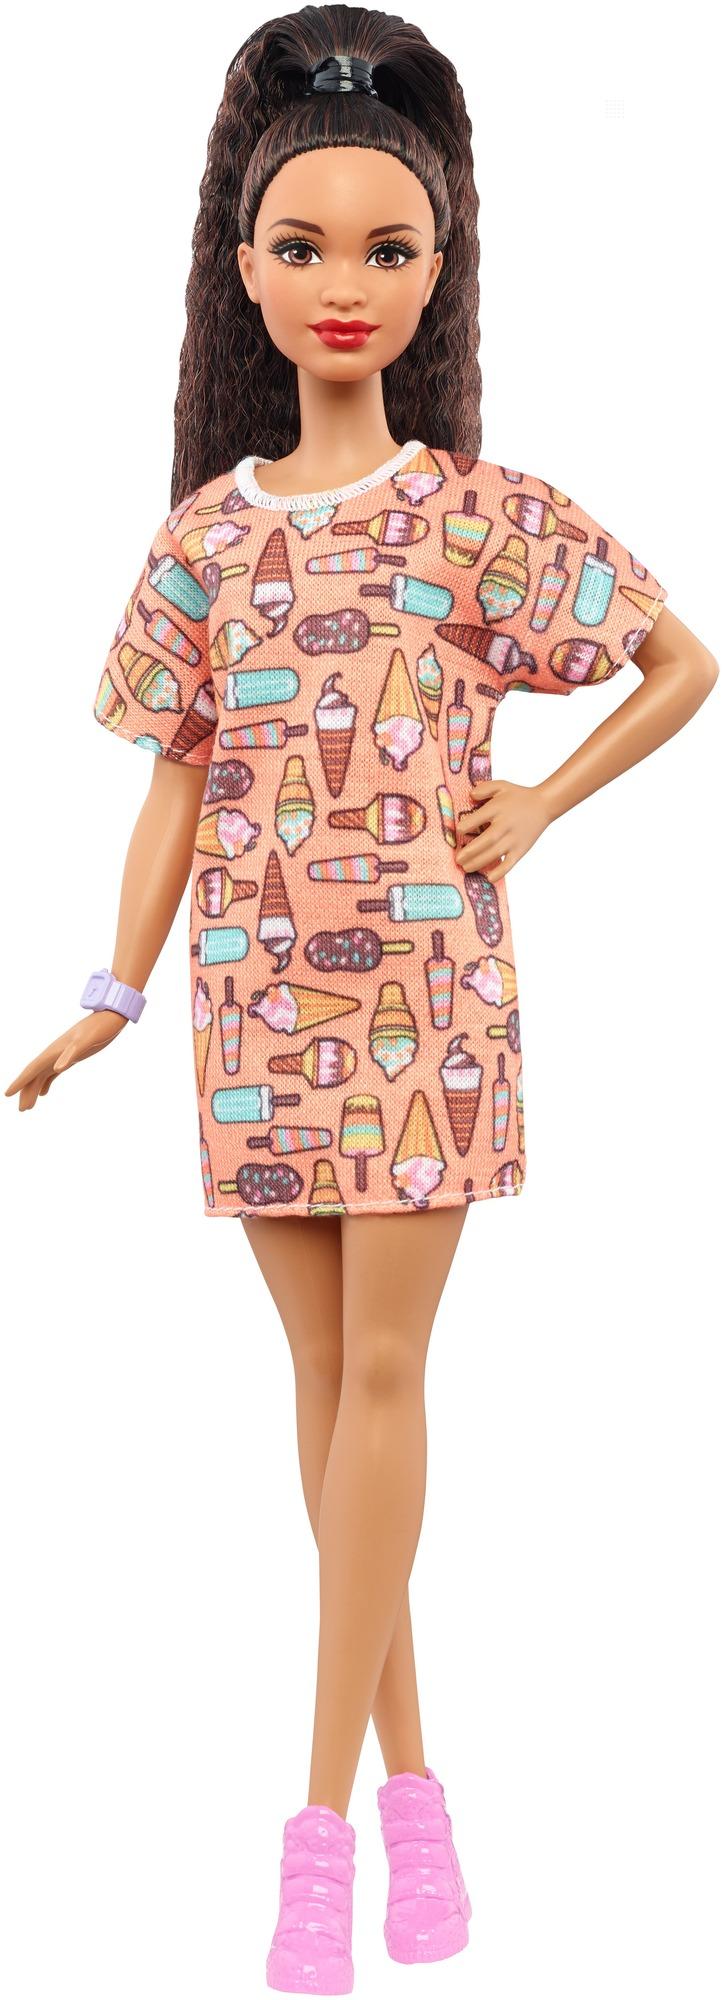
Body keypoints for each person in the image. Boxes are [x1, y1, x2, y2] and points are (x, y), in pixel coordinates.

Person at [5, 8, 718, 1993]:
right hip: (249, 1009)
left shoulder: (479, 518)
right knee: (324, 1405)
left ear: (437, 265)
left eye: (386, 248)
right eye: (303, 246)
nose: (344, 282)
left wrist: (541, 802)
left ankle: (313, 1835)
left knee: (381, 1385)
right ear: (242, 269)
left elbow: (681, 662)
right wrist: (106, 992)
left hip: (425, 1000)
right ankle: (423, 1803)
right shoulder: (203, 545)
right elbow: (174, 781)